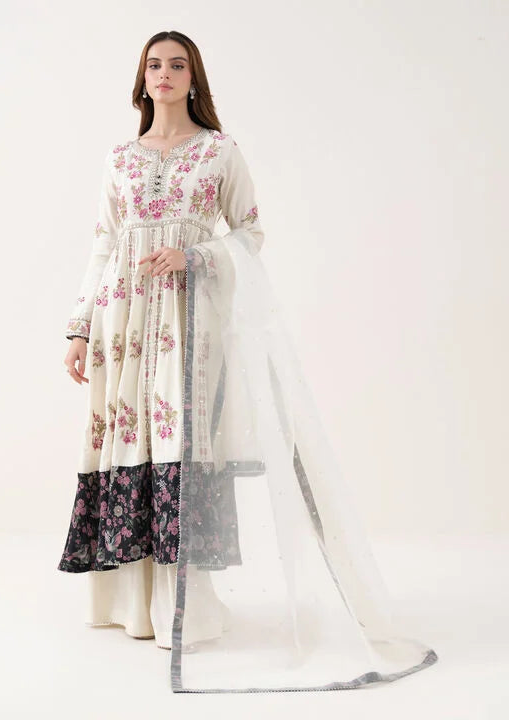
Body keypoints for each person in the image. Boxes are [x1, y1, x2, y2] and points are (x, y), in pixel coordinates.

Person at [58, 30, 438, 693]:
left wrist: (193, 255)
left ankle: (187, 609)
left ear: (194, 78)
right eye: (154, 64)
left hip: (189, 322)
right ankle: (130, 607)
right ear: (142, 79)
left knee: (180, 441)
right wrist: (80, 328)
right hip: (125, 320)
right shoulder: (120, 157)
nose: (165, 73)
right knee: (127, 442)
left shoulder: (219, 152)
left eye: (178, 64)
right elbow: (103, 244)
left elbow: (250, 232)